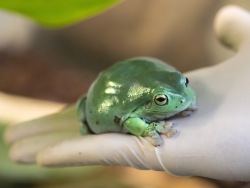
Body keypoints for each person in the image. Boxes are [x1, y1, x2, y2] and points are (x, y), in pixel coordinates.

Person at [5, 5, 250, 183]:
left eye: (185, 82)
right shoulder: (138, 107)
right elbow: (132, 119)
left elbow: (177, 87)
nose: (186, 94)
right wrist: (146, 129)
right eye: (162, 101)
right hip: (101, 85)